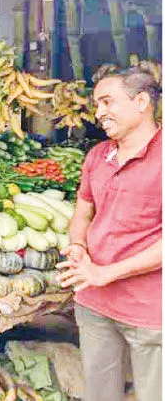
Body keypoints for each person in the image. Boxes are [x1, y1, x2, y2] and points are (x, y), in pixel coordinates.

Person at [57, 66, 162, 401]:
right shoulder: (98, 156)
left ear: (142, 101)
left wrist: (105, 273)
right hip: (94, 304)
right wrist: (77, 245)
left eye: (107, 102)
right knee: (101, 394)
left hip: (149, 309)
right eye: (96, 104)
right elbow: (83, 211)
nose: (98, 112)